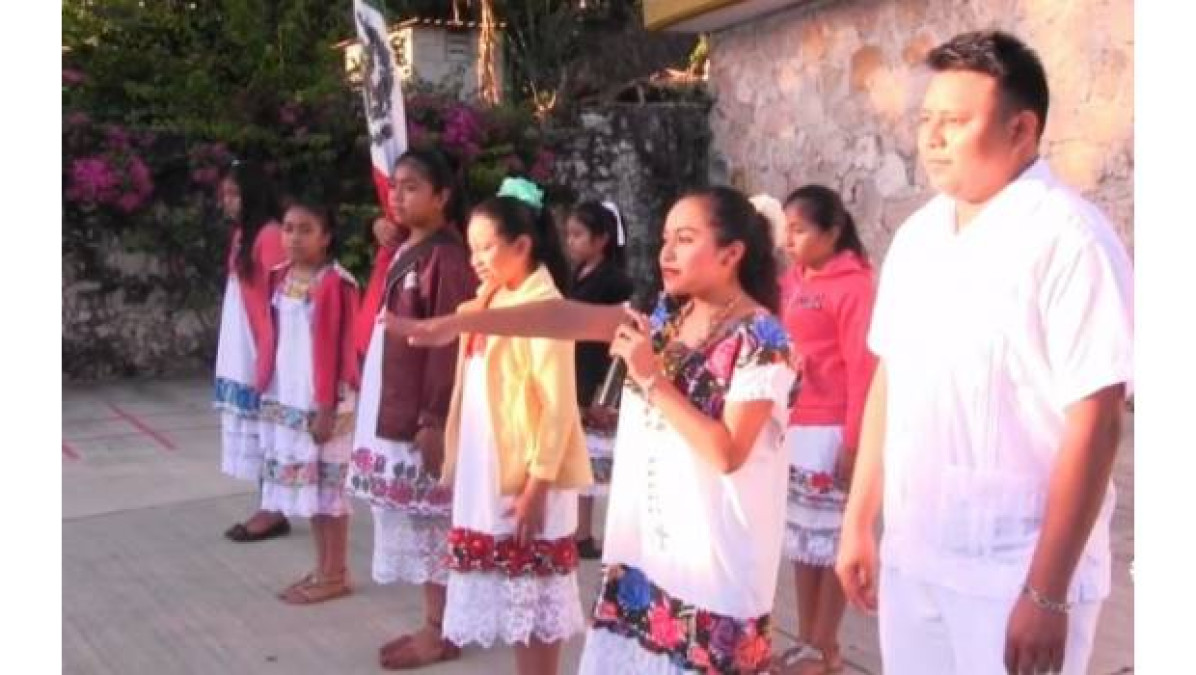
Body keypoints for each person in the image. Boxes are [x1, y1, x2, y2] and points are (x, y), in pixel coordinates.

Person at [391, 185, 799, 674]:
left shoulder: (763, 338)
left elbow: (728, 452)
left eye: (685, 239)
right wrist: (461, 323)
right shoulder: (669, 316)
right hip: (648, 553)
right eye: (666, 237)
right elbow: (565, 316)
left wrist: (650, 377)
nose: (667, 252)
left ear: (732, 253)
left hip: (715, 563)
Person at [835, 31, 1133, 675]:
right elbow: (894, 373)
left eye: (955, 121)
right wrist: (860, 519)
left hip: (1015, 568)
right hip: (917, 555)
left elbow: (1098, 417)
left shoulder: (1069, 239)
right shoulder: (919, 236)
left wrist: (1046, 591)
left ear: (1022, 129)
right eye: (926, 120)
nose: (932, 138)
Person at [422, 178, 593, 675]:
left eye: (486, 247)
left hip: (524, 476)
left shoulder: (543, 308)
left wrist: (537, 487)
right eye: (471, 246)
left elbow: (559, 407)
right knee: (517, 601)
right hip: (488, 470)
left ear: (522, 245)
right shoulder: (491, 299)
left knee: (535, 604)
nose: (475, 257)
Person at [345, 150, 477, 669]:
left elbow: (447, 342)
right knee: (419, 525)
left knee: (432, 525)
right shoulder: (409, 248)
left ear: (442, 196)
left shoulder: (447, 258)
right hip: (392, 403)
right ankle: (434, 621)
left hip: (421, 413)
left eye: (412, 187)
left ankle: (441, 628)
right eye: (395, 186)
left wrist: (434, 419)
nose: (398, 196)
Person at [775, 185, 877, 675]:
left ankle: (825, 643)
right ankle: (808, 640)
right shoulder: (792, 280)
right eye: (786, 229)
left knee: (831, 542)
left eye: (800, 230)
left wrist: (855, 441)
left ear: (832, 232)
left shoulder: (854, 286)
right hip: (796, 425)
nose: (788, 240)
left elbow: (864, 368)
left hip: (832, 428)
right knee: (802, 541)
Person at [256, 197, 361, 603]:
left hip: (324, 400)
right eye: (288, 228)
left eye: (306, 230)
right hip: (290, 396)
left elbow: (341, 347)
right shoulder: (279, 276)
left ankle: (335, 573)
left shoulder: (336, 282)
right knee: (313, 490)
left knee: (330, 493)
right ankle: (324, 568)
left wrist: (327, 408)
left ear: (326, 236)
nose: (294, 238)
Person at [212, 159, 292, 543]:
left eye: (233, 193)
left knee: (269, 424)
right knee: (258, 424)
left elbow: (279, 302)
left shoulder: (271, 235)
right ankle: (268, 503)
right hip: (241, 340)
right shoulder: (245, 234)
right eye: (224, 194)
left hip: (260, 341)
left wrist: (268, 352)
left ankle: (274, 509)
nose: (226, 201)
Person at [562, 200, 632, 559]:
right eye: (569, 235)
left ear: (601, 239)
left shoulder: (615, 282)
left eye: (578, 235)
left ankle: (583, 532)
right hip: (576, 368)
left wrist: (604, 393)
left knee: (590, 457)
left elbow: (617, 337)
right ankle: (577, 529)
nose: (571, 242)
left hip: (596, 373)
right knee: (579, 454)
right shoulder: (580, 273)